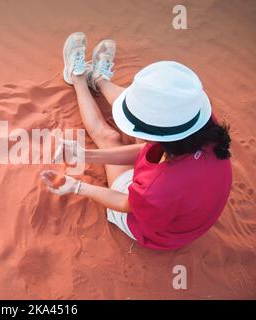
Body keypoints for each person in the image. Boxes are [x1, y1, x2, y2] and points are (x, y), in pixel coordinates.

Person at [41, 32, 232, 250]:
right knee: (144, 107)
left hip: (153, 226)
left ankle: (78, 79)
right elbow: (148, 146)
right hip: (180, 199)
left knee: (110, 138)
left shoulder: (157, 188)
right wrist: (85, 155)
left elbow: (124, 204)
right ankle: (100, 80)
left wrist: (76, 186)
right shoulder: (197, 121)